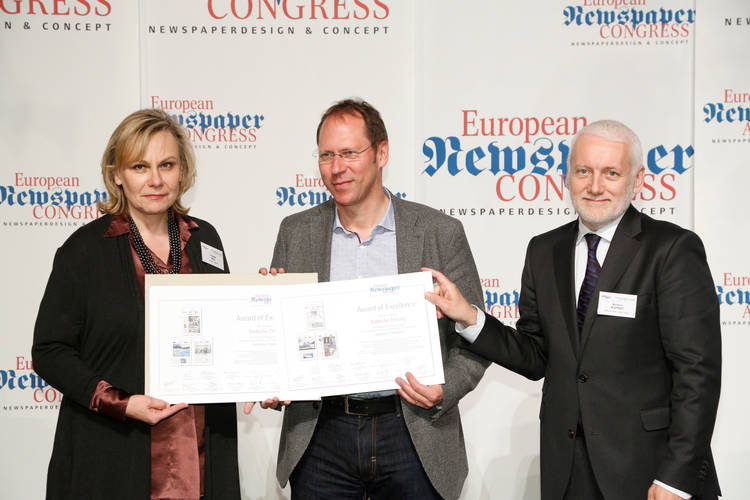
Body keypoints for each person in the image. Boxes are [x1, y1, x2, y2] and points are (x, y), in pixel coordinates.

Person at [424, 120, 722, 500]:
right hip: (567, 469)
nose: (595, 186)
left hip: (649, 469)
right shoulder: (544, 250)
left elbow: (698, 374)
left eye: (611, 173)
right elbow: (536, 356)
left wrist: (675, 478)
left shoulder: (672, 249)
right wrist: (469, 316)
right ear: (567, 177)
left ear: (638, 180)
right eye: (584, 171)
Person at [249, 98, 488, 499]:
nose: (336, 167)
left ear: (381, 153)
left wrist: (443, 391)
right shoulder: (296, 232)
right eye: (326, 155)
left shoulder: (438, 231)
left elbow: (476, 336)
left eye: (349, 153)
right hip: (322, 436)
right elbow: (282, 343)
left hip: (414, 433)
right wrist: (270, 366)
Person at [32, 109, 240, 500]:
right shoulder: (84, 251)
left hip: (199, 451)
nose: (155, 180)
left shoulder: (205, 240)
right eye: (140, 166)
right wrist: (121, 403)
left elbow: (224, 331)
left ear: (182, 171)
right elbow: (49, 351)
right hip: (113, 453)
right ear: (117, 174)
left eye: (167, 165)